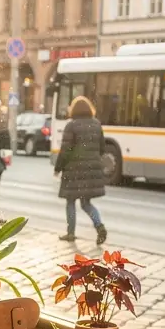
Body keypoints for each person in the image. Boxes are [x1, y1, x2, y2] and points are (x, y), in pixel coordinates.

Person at [54, 95, 108, 245]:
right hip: (91, 170)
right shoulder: (97, 124)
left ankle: (70, 233)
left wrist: (58, 168)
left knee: (70, 201)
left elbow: (65, 150)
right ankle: (100, 227)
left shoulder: (71, 125)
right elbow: (102, 148)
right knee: (86, 203)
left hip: (73, 171)